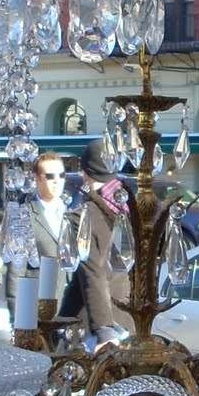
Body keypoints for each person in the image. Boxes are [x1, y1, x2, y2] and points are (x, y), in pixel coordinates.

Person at [59, 139, 132, 348]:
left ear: (84, 173)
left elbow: (93, 272)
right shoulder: (128, 207)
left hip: (91, 327)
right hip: (128, 317)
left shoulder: (82, 216)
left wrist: (104, 330)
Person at [6, 152, 70, 321]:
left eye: (62, 175)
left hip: (71, 306)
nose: (57, 181)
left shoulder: (72, 210)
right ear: (36, 178)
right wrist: (19, 319)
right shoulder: (24, 214)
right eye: (50, 176)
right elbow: (16, 270)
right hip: (37, 307)